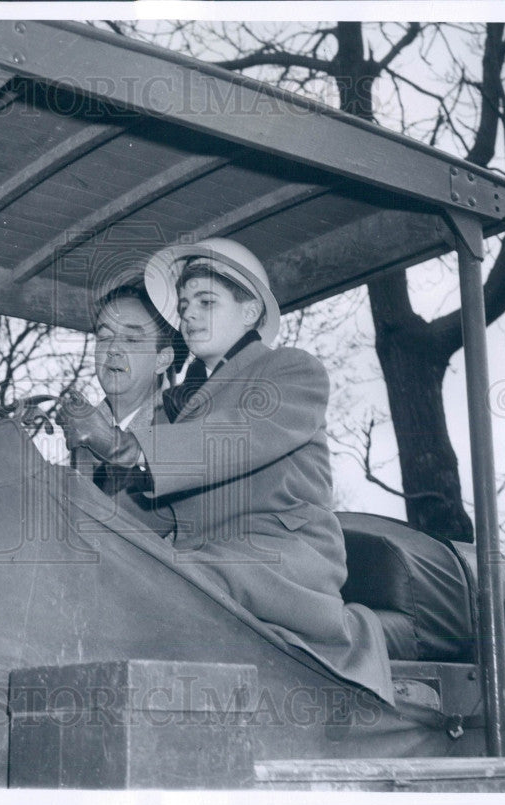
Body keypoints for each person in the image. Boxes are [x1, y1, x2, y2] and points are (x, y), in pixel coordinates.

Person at [57, 237, 390, 690]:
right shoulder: (190, 406)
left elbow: (235, 437)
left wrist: (123, 446)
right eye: (185, 302)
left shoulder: (291, 370)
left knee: (165, 584)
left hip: (284, 559)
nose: (188, 313)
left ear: (250, 311)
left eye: (206, 301)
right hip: (214, 559)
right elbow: (147, 513)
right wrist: (62, 499)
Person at [59, 283, 179, 535]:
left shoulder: (181, 429)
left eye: (131, 339)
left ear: (163, 360)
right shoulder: (79, 431)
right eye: (104, 337)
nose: (112, 349)